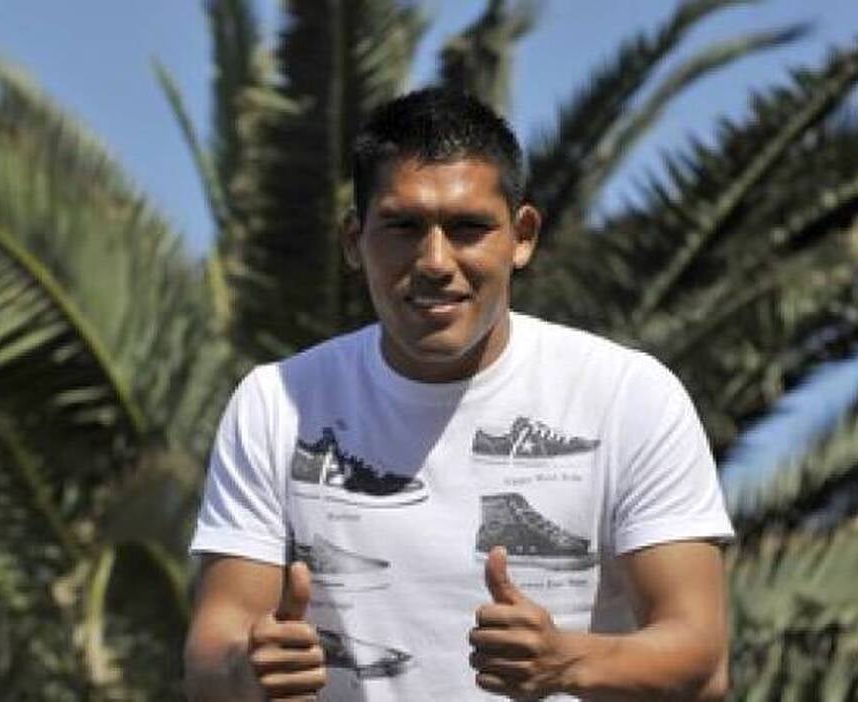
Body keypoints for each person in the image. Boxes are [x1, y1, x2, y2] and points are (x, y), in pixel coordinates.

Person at [183, 87, 734, 701]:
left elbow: (702, 662)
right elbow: (212, 652)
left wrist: (566, 662)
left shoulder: (628, 397)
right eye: (403, 227)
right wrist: (247, 671)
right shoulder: (277, 402)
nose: (435, 262)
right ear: (353, 240)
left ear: (522, 236)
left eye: (469, 228)